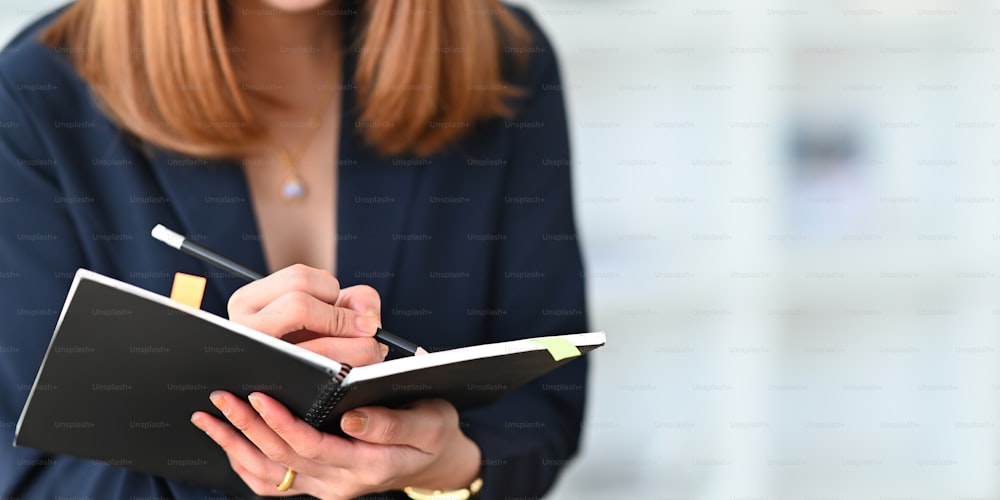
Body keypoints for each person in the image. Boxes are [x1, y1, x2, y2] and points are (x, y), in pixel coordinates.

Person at [0, 0, 589, 498]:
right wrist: (221, 423)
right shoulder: (34, 100)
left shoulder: (500, 58)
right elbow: (26, 466)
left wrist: (452, 464)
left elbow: (545, 404)